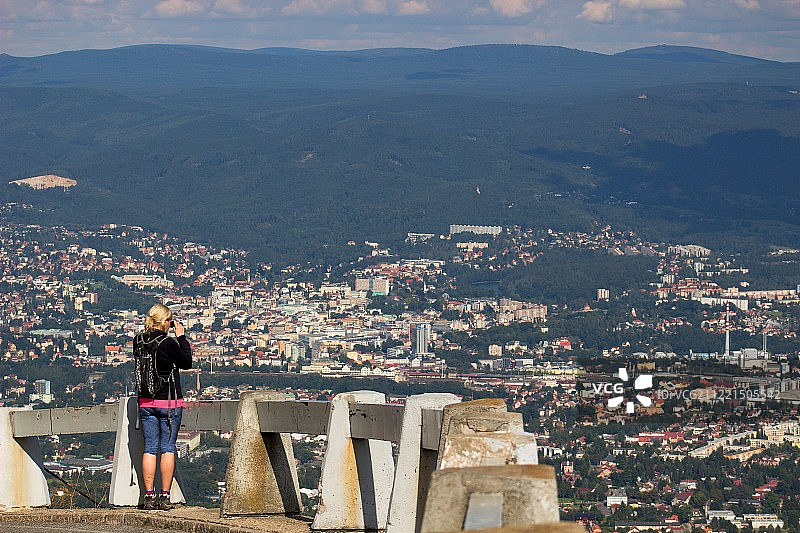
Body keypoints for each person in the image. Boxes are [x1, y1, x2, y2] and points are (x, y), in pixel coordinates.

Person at [135, 303, 192, 510]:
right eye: (170, 320)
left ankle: (148, 495)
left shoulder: (138, 341)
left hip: (145, 401)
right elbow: (186, 363)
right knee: (167, 448)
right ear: (165, 322)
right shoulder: (168, 343)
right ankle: (164, 496)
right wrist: (182, 338)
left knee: (150, 448)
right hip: (168, 402)